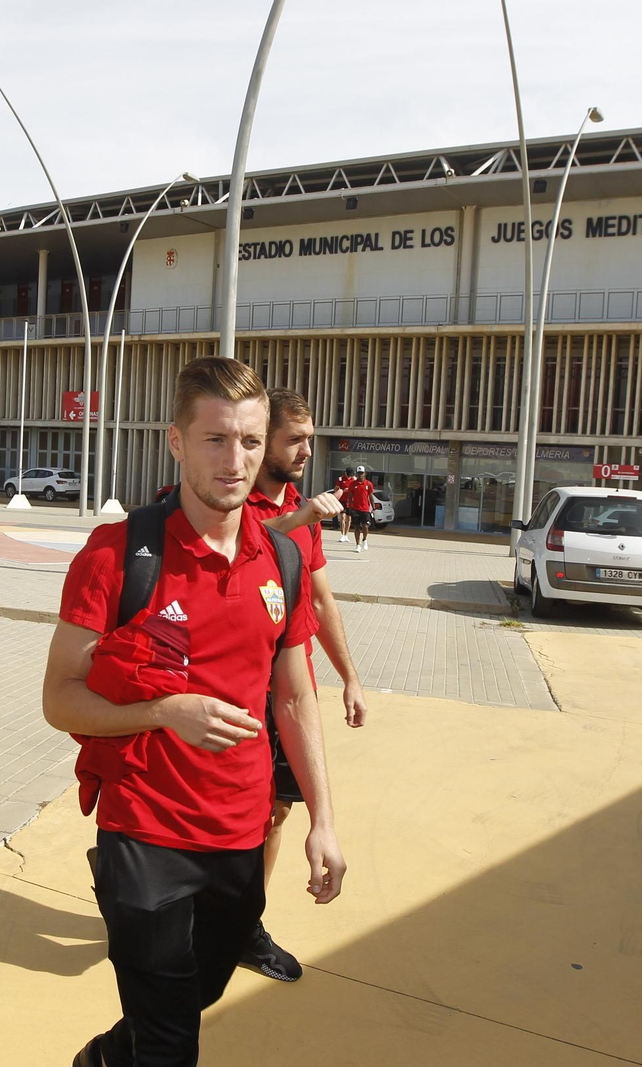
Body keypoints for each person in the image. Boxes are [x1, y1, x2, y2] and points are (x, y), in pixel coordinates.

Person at [44, 357, 345, 1067]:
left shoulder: (282, 557)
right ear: (176, 441)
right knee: (174, 1044)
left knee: (191, 997)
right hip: (144, 832)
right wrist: (164, 710)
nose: (234, 460)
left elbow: (296, 695)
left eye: (248, 440)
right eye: (214, 439)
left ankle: (103, 1059)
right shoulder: (119, 554)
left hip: (240, 837)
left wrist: (324, 819)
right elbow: (60, 698)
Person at [241, 387, 368, 982]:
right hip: (236, 689)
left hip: (291, 690)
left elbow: (319, 594)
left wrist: (350, 677)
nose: (305, 451)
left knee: (277, 813)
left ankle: (243, 923)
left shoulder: (299, 504)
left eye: (310, 440)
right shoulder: (235, 502)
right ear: (262, 439)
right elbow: (243, 552)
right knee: (236, 811)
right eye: (294, 440)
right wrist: (298, 519)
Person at [344, 465, 377, 553]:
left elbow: (371, 496)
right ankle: (357, 545)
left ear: (364, 473)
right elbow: (350, 497)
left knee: (365, 526)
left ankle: (364, 539)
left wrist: (373, 508)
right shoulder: (353, 484)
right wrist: (349, 507)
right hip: (355, 509)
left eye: (361, 473)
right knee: (356, 527)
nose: (360, 475)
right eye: (358, 473)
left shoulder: (368, 484)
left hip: (365, 509)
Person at [333, 468, 357, 543]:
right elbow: (336, 489)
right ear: (345, 473)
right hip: (342, 500)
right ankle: (342, 534)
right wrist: (343, 490)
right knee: (342, 517)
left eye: (351, 475)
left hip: (350, 501)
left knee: (348, 518)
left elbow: (356, 489)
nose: (349, 477)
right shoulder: (340, 479)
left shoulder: (354, 479)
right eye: (348, 475)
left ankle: (346, 535)